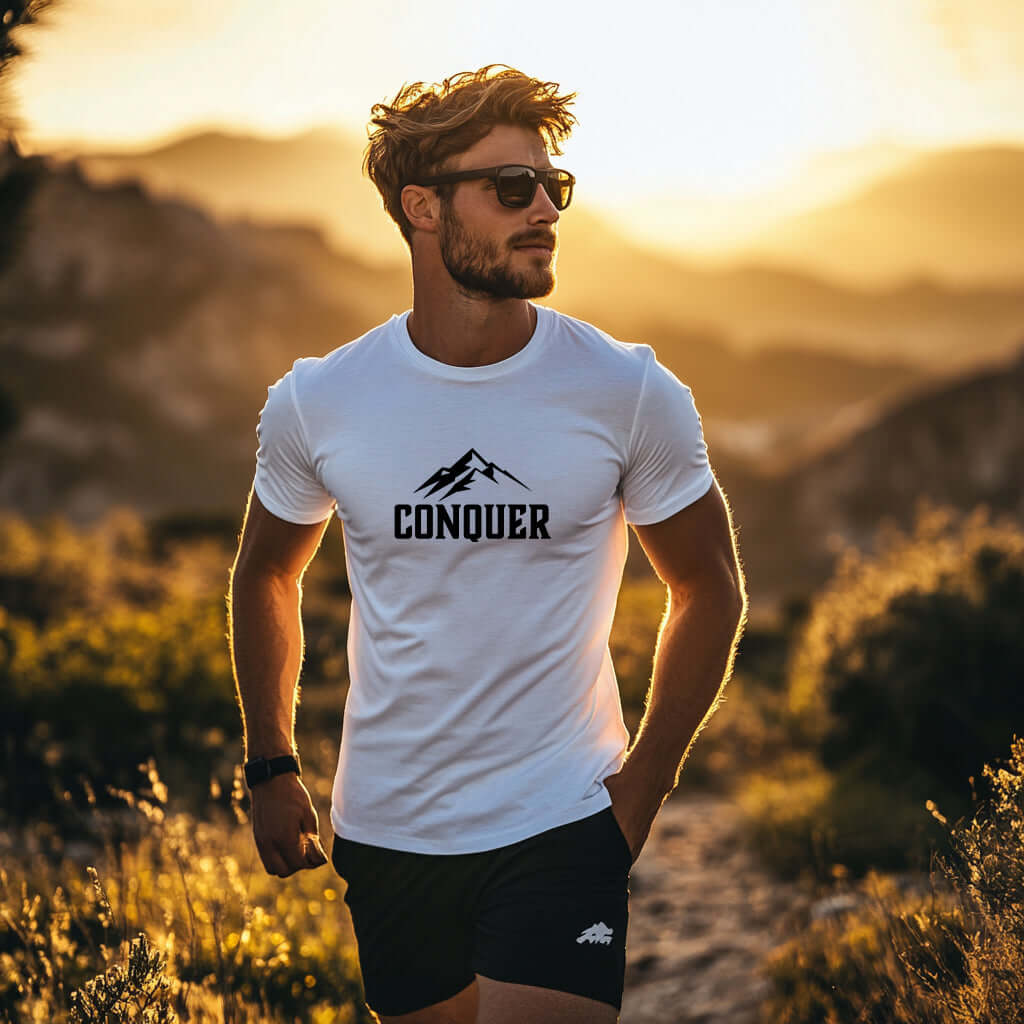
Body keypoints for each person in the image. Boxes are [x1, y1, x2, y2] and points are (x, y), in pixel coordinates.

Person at [228, 64, 747, 1024]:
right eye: (513, 189)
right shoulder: (320, 399)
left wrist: (636, 796)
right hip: (386, 832)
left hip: (561, 821)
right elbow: (266, 572)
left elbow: (711, 589)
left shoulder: (627, 390)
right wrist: (270, 763)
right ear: (422, 207)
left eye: (555, 187)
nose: (546, 207)